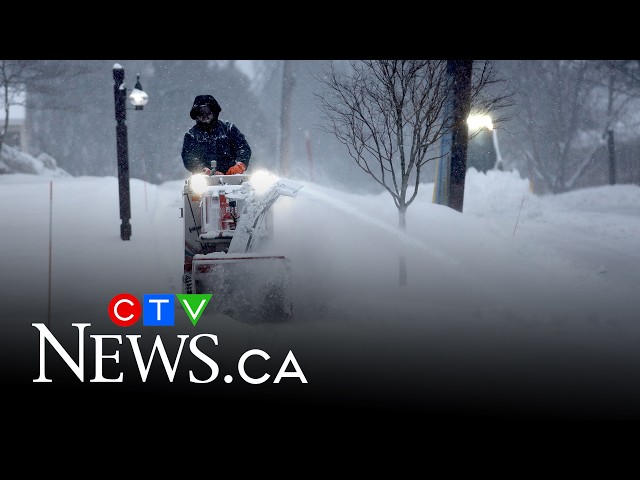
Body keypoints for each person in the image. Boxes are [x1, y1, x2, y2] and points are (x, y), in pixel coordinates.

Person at [181, 94, 251, 176]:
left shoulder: (229, 129)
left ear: (214, 112)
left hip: (233, 177)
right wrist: (202, 169)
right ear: (196, 115)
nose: (205, 117)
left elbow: (243, 148)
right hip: (203, 181)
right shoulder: (192, 135)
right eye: (201, 114)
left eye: (208, 113)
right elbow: (189, 157)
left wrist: (239, 165)